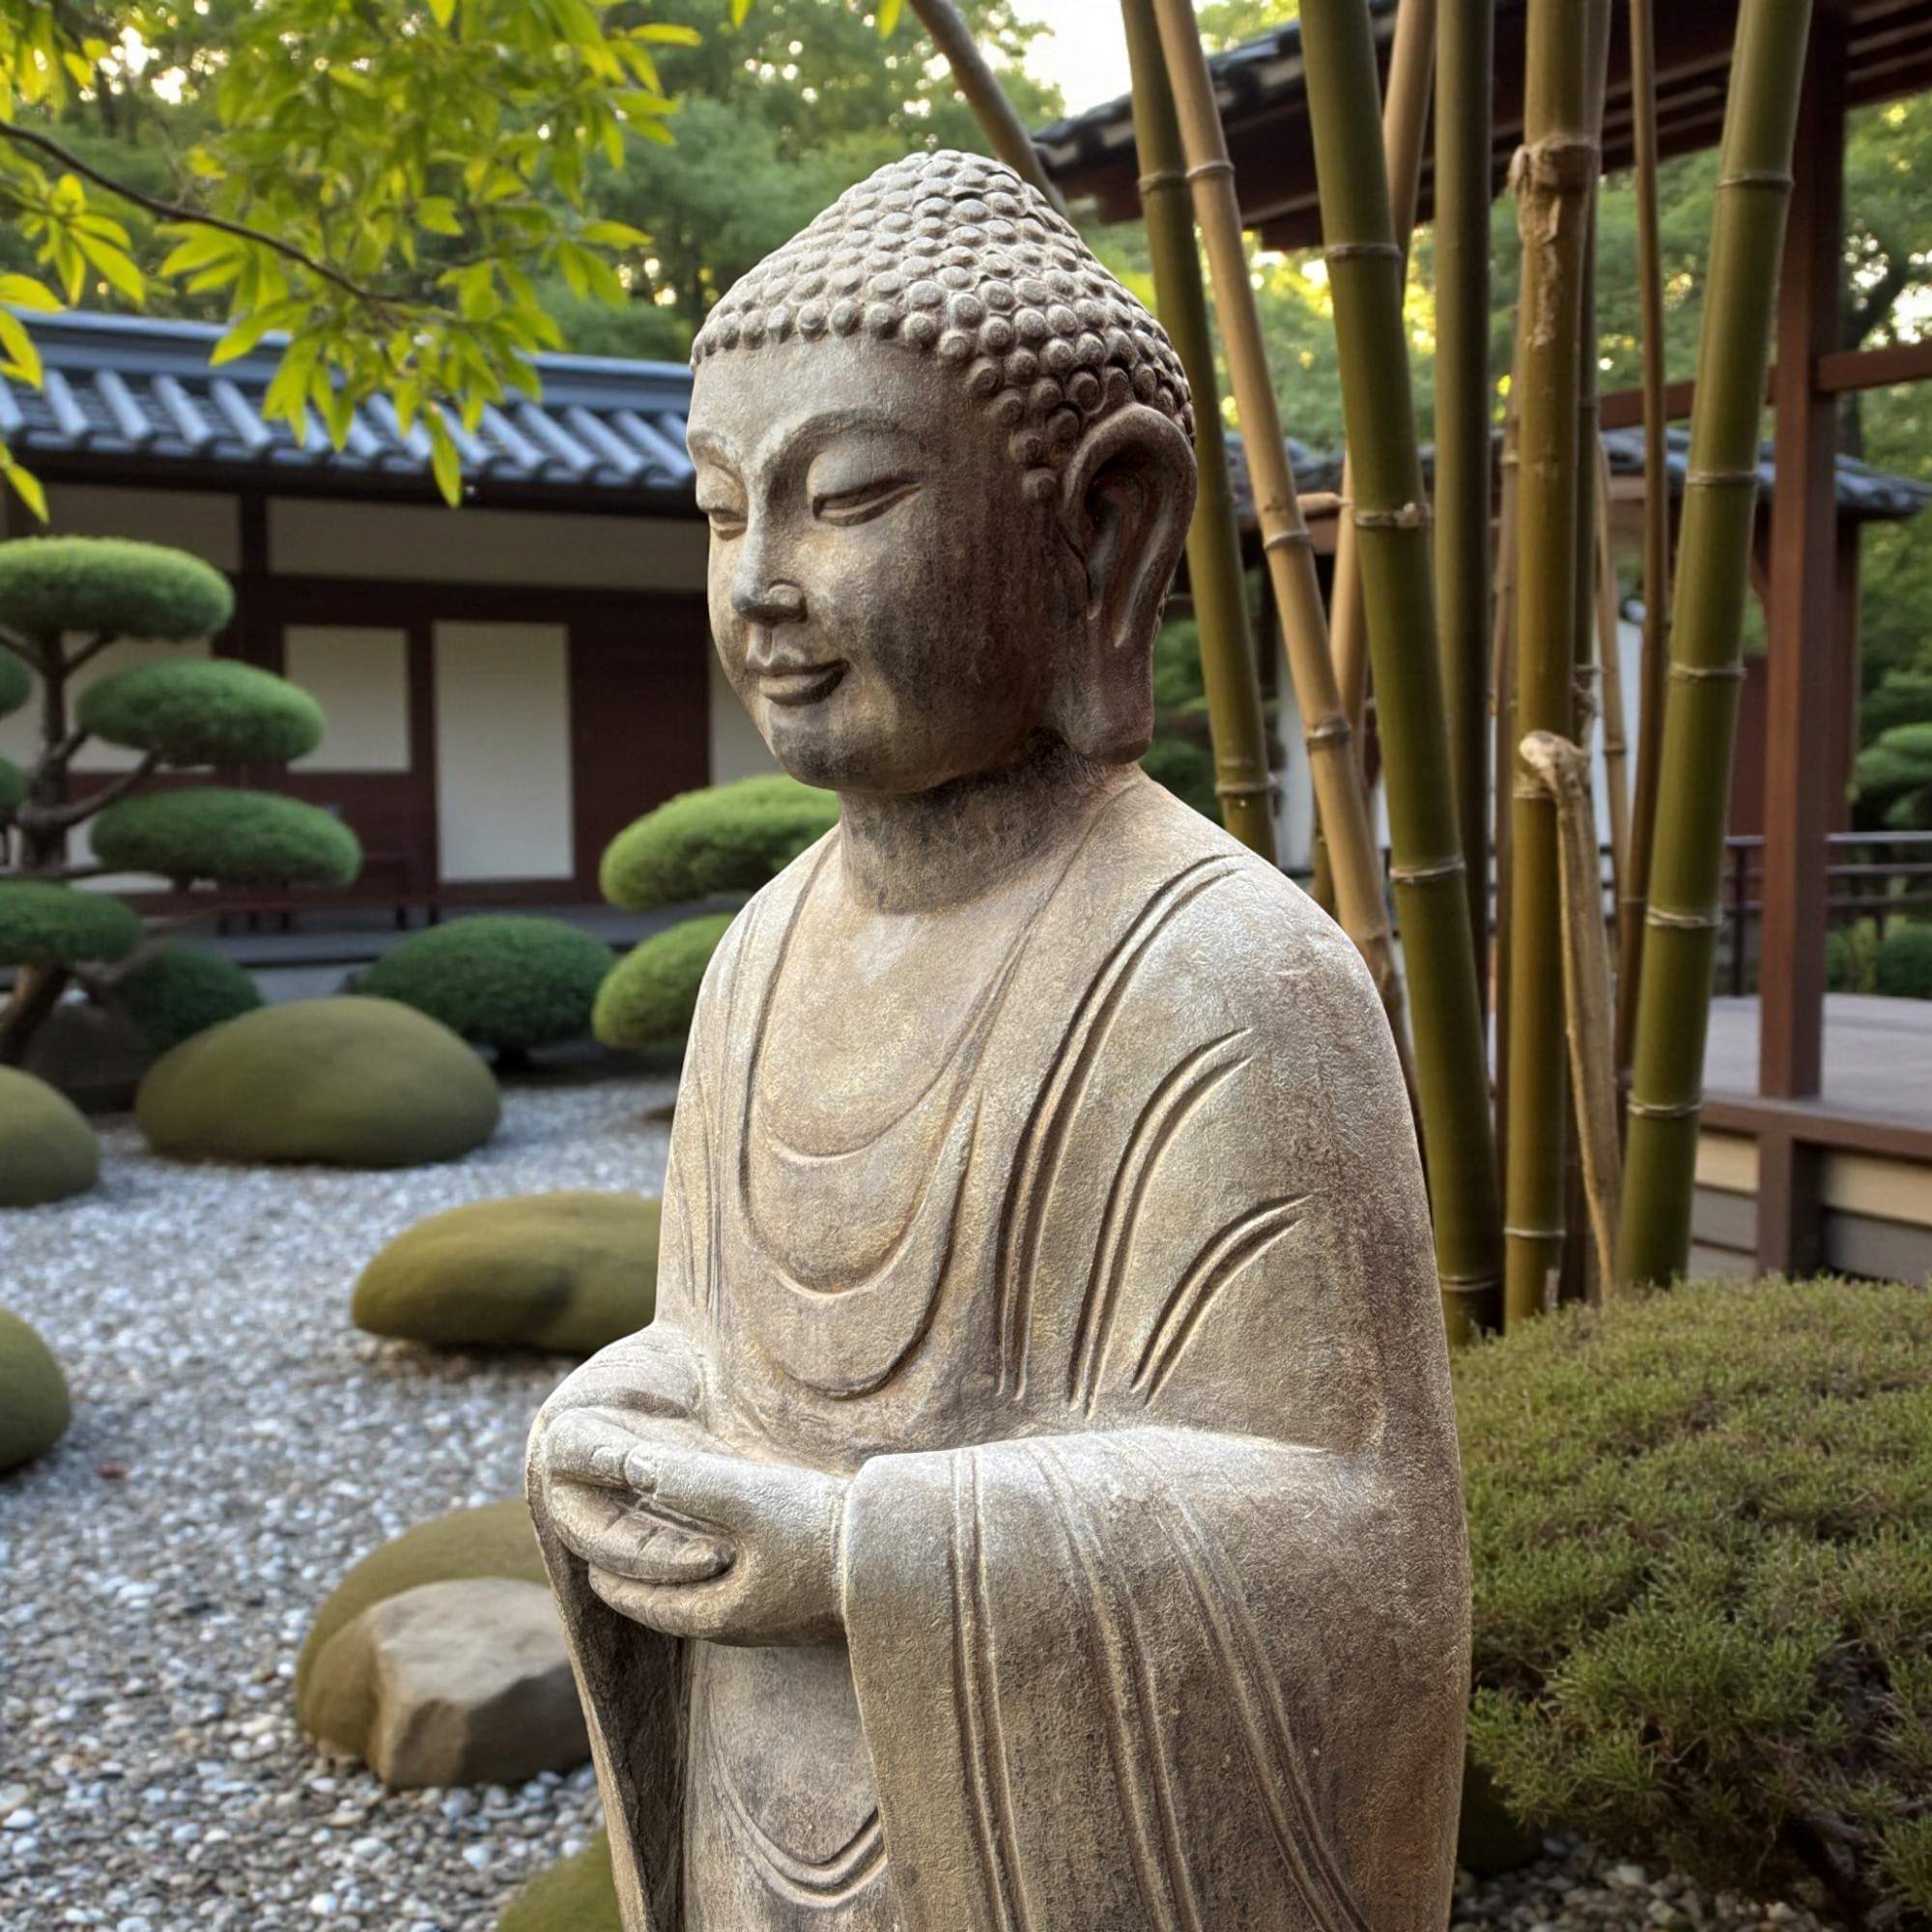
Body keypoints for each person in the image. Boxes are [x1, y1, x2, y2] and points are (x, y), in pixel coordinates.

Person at [526, 149, 1467, 1932]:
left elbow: (1354, 1544)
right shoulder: (757, 955)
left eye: (849, 499)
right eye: (724, 514)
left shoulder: (1227, 974)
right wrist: (636, 1414)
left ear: (1101, 525)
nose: (762, 588)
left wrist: (860, 1553)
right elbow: (729, 1356)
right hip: (761, 1817)